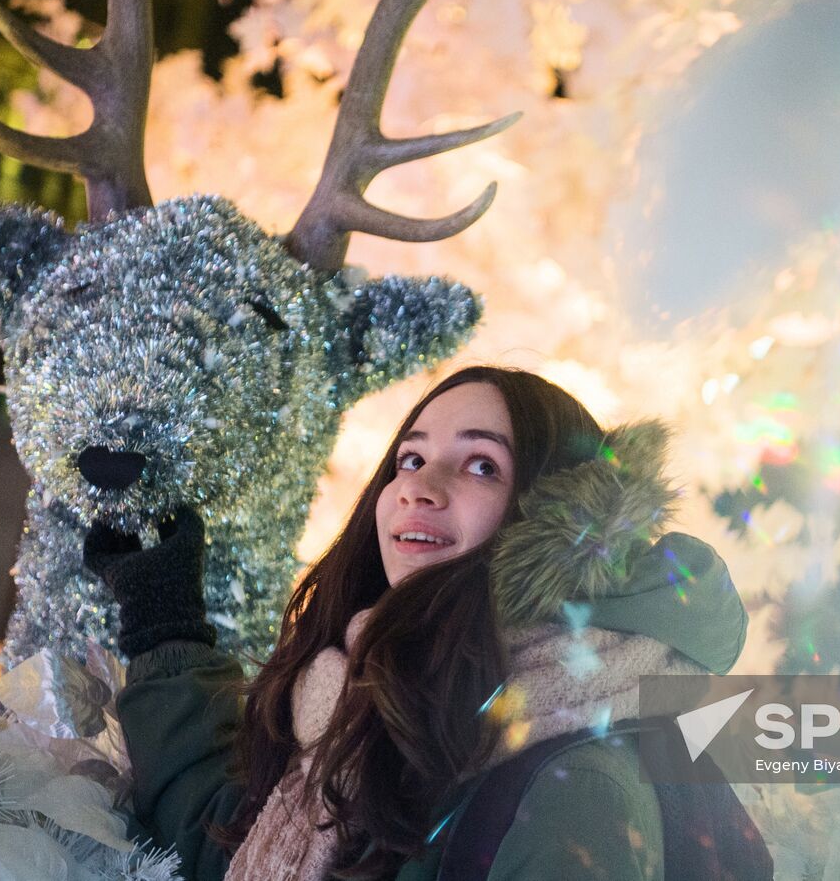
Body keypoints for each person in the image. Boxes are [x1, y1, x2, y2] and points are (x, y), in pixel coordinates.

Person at [87, 365, 756, 881]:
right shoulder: (366, 706)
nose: (417, 485)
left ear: (563, 528)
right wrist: (163, 622)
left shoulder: (576, 787)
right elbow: (231, 844)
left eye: (481, 465)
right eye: (410, 458)